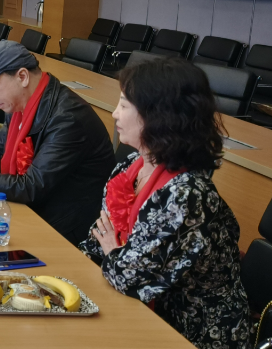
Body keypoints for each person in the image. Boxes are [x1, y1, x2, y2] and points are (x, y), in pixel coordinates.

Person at [80, 58, 253, 349]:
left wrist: (113, 252)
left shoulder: (187, 196)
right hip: (142, 311)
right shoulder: (130, 166)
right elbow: (99, 239)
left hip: (193, 332)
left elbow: (130, 278)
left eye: (124, 105)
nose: (114, 113)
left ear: (157, 116)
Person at [0, 40, 116, 244]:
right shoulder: (21, 104)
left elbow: (31, 186)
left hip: (66, 230)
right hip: (36, 212)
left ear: (22, 77)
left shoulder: (68, 119)